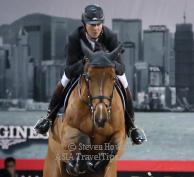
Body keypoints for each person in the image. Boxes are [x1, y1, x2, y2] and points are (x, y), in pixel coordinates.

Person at [34, 4, 146, 145]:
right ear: (84, 24)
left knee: (125, 84)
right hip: (81, 70)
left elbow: (121, 68)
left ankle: (131, 127)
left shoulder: (110, 36)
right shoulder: (74, 38)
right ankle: (48, 119)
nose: (95, 28)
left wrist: (107, 63)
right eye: (91, 24)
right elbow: (69, 70)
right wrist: (87, 64)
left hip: (106, 71)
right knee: (63, 82)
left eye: (99, 24)